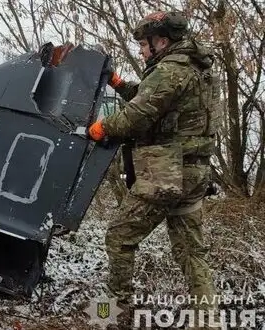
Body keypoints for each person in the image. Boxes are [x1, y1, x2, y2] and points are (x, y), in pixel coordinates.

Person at [87, 11, 221, 329]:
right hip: (196, 172)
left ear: (161, 41)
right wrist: (119, 84)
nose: (141, 50)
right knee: (192, 252)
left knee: (119, 237)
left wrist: (101, 128)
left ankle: (111, 319)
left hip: (168, 171)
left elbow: (138, 116)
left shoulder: (171, 69)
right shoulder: (197, 68)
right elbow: (154, 100)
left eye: (143, 44)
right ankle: (208, 322)